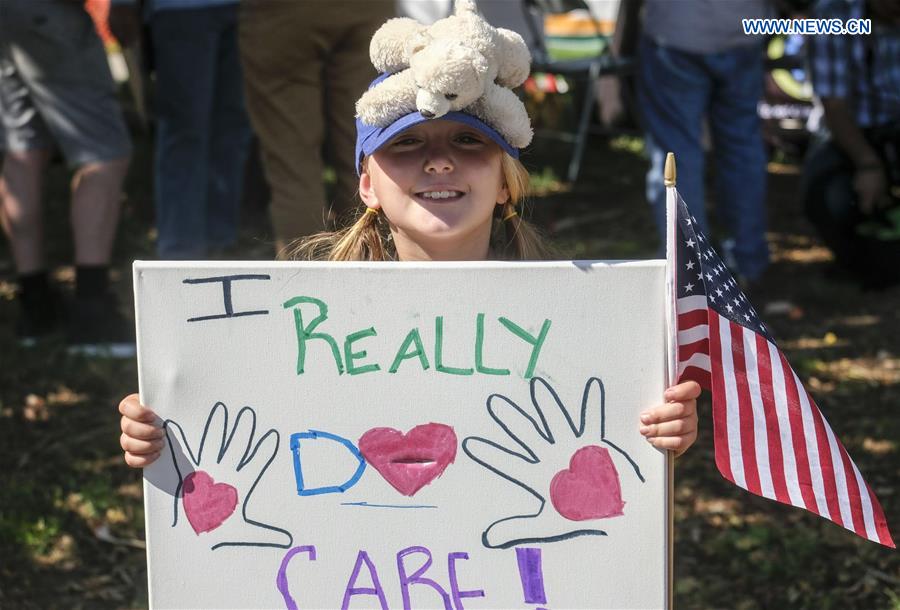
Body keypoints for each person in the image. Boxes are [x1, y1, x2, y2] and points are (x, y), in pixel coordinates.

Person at [117, 4, 701, 467]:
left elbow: (611, 437)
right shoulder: (298, 327)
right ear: (367, 185)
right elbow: (231, 422)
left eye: (469, 142)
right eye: (406, 144)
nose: (439, 162)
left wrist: (661, 428)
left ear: (506, 183)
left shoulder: (583, 319)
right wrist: (161, 432)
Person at [0, 0, 134, 354]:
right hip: (50, 14)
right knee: (103, 156)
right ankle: (93, 314)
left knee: (22, 151)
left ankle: (36, 306)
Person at [238, 0, 394, 255]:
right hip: (365, 9)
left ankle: (305, 283)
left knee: (292, 162)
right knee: (367, 148)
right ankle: (374, 267)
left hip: (280, 15)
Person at [635, 0, 772, 285]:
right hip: (741, 31)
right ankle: (748, 261)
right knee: (742, 147)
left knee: (676, 153)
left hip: (676, 32)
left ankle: (690, 269)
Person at [110, 0, 252, 259]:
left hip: (244, 11)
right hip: (180, 11)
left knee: (233, 129)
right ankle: (180, 254)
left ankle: (222, 245)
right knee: (185, 132)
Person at [802, 0, 900, 288]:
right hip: (849, 131)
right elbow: (834, 106)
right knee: (830, 199)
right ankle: (859, 264)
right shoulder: (833, 15)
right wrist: (869, 166)